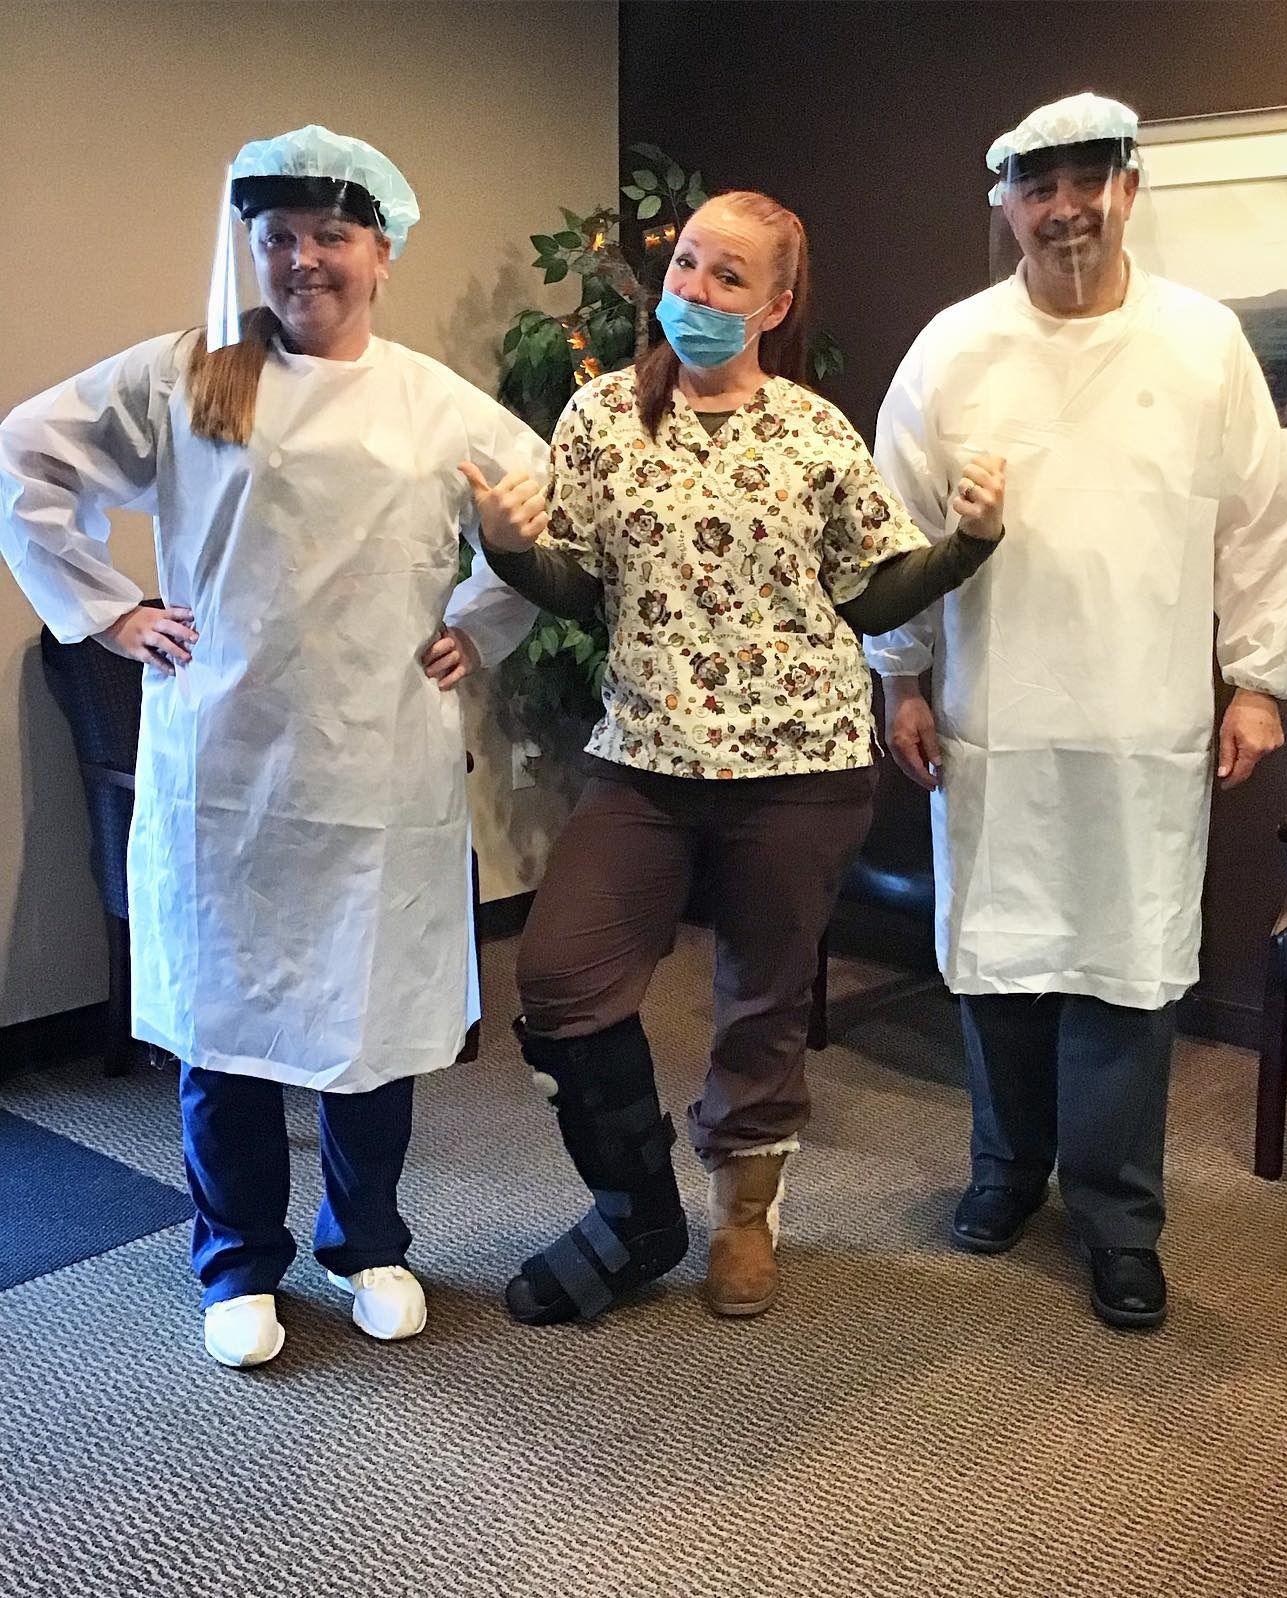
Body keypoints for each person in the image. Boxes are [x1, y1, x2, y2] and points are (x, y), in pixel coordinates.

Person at [0, 124, 547, 1367]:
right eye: (280, 237)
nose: (305, 260)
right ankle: (236, 1257)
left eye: (331, 237)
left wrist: (482, 618)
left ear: (383, 249)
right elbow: (25, 452)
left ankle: (369, 1243)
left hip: (378, 760)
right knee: (228, 1018)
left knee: (371, 1023)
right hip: (229, 764)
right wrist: (108, 610)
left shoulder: (430, 400)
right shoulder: (196, 377)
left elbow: (535, 511)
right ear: (249, 244)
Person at [463, 190, 1006, 1324]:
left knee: (760, 997)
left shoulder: (813, 431)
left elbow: (867, 591)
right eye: (687, 267)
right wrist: (511, 553)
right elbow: (577, 583)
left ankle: (745, 1214)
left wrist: (967, 544)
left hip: (799, 762)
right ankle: (638, 1210)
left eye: (728, 278)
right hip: (645, 755)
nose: (695, 293)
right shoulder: (601, 417)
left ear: (776, 303)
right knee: (559, 976)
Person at [866, 93, 1287, 1330]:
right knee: (1004, 958)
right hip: (996, 711)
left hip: (1143, 713)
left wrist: (1259, 677)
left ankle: (1118, 1216)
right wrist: (899, 672)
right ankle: (1005, 1173)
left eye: (1088, 178)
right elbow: (888, 528)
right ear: (1005, 201)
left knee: (1126, 968)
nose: (1064, 206)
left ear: (1128, 186)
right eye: (1037, 184)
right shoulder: (953, 349)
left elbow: (1260, 520)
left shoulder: (1203, 342)